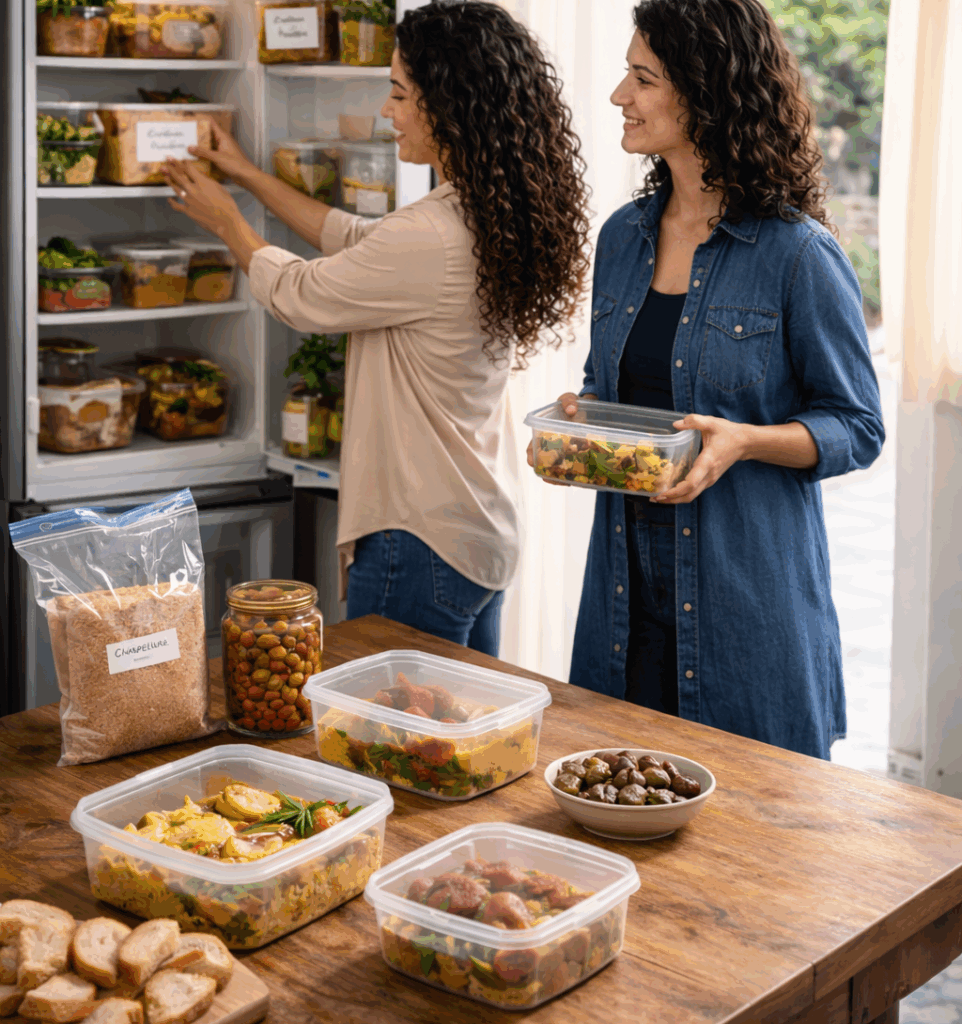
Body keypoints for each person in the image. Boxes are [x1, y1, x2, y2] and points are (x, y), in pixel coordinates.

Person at [163, 1, 590, 657]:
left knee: (382, 744)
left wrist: (227, 221)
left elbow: (304, 293)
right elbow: (355, 238)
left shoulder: (431, 235)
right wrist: (247, 174)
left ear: (449, 106)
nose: (387, 112)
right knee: (451, 738)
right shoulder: (484, 214)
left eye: (398, 94)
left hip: (413, 537)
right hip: (474, 529)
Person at [530, 0, 884, 759]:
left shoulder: (796, 253)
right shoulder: (622, 239)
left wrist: (745, 441)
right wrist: (582, 422)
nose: (620, 96)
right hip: (625, 603)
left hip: (746, 614)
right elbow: (613, 391)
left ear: (706, 92)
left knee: (754, 858)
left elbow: (857, 426)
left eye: (642, 78)